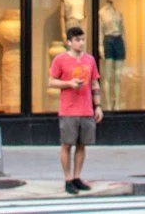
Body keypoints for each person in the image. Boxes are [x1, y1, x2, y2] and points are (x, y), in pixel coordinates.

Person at [48, 23, 102, 194]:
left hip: (86, 109)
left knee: (82, 145)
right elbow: (51, 81)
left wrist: (98, 106)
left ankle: (77, 177)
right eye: (77, 40)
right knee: (66, 144)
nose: (81, 43)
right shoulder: (60, 60)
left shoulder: (90, 60)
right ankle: (68, 179)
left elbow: (94, 83)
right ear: (69, 42)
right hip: (69, 110)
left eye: (83, 39)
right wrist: (69, 84)